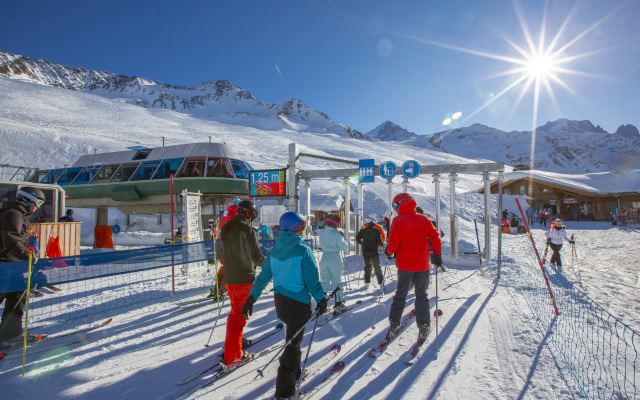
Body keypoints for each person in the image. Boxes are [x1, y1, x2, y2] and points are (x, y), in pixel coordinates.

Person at [241, 211, 328, 400]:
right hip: (298, 305)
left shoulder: (274, 251)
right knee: (292, 346)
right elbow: (312, 281)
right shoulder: (303, 250)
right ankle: (285, 390)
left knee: (292, 339)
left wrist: (251, 299)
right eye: (302, 225)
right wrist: (321, 300)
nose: (304, 229)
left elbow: (263, 278)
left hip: (281, 303)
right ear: (297, 227)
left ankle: (294, 374)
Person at [385, 193, 442, 345]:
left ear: (402, 204)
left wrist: (389, 252)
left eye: (395, 206)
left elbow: (394, 242)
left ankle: (394, 324)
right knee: (421, 295)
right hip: (422, 264)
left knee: (401, 295)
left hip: (405, 265)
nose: (395, 209)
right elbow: (435, 236)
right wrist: (437, 254)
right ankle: (423, 325)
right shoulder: (423, 219)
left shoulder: (398, 221)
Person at [219, 200, 265, 368]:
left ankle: (234, 343)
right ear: (249, 214)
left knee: (235, 312)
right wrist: (271, 263)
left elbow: (221, 253)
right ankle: (233, 357)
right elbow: (256, 257)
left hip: (230, 277)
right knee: (238, 317)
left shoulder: (225, 228)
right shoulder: (248, 230)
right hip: (243, 278)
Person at [0, 186, 46, 342]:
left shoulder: (16, 214)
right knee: (14, 297)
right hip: (5, 266)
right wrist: (29, 258)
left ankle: (10, 333)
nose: (37, 207)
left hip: (13, 266)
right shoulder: (13, 214)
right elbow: (12, 239)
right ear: (28, 199)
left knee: (18, 298)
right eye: (37, 202)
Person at [208, 199, 241, 299]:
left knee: (225, 266)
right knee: (233, 266)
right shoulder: (236, 215)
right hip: (231, 244)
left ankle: (217, 288)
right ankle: (223, 287)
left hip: (221, 243)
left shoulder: (226, 213)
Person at [316, 213, 348, 313]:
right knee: (337, 281)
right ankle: (338, 304)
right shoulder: (336, 234)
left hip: (324, 257)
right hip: (335, 258)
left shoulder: (322, 232)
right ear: (334, 224)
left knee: (324, 281)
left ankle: (321, 305)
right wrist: (342, 238)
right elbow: (344, 247)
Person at [356, 214, 384, 290]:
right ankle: (381, 283)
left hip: (365, 251)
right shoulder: (376, 231)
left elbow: (357, 238)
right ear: (375, 223)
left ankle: (367, 282)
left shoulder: (363, 230)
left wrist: (361, 243)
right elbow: (380, 242)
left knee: (367, 266)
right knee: (376, 267)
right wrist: (383, 245)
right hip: (374, 252)